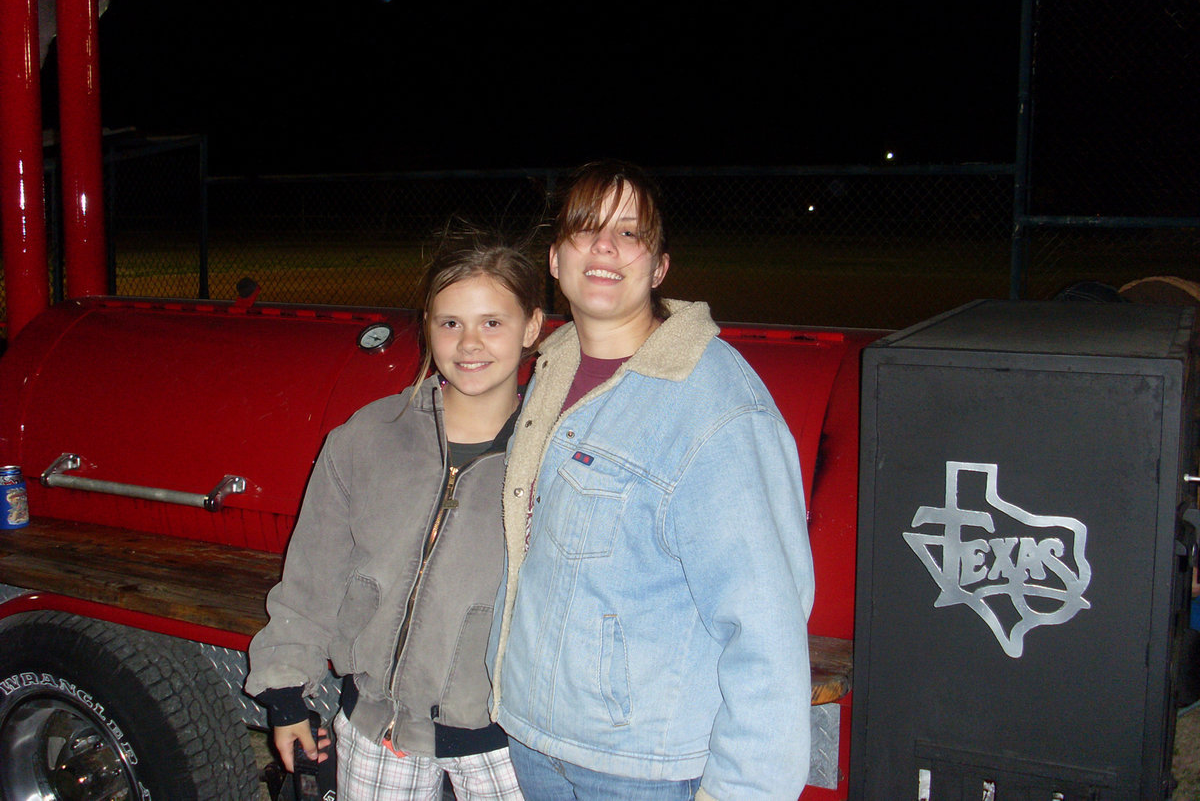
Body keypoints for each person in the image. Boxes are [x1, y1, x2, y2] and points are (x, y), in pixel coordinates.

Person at [488, 160, 815, 801]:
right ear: (555, 260)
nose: (606, 247)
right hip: (532, 739)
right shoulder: (549, 368)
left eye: (630, 233)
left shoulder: (718, 407)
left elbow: (766, 627)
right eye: (586, 229)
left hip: (642, 769)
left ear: (659, 267)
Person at [246, 231, 544, 801]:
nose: (469, 343)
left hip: (508, 743)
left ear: (532, 327)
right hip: (377, 731)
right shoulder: (368, 438)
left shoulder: (555, 454)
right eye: (450, 323)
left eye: (492, 322)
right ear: (427, 326)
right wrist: (286, 693)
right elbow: (313, 577)